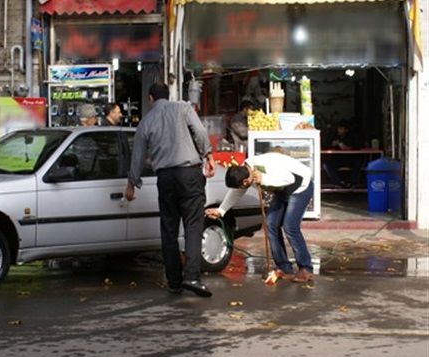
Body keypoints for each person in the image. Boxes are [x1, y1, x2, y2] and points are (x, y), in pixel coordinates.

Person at [125, 82, 216, 297]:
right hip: (189, 174)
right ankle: (192, 277)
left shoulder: (146, 122)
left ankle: (174, 281)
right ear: (169, 95)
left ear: (150, 98)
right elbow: (201, 131)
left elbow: (137, 157)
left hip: (165, 177)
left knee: (168, 229)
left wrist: (131, 185)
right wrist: (208, 154)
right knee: (193, 225)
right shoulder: (183, 108)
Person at [205, 152, 314, 282]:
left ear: (246, 181)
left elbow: (289, 179)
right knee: (270, 225)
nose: (241, 188)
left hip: (300, 188)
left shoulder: (266, 165)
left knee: (290, 226)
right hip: (281, 191)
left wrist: (264, 179)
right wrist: (221, 210)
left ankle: (305, 268)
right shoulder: (245, 171)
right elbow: (236, 192)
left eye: (242, 186)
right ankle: (284, 268)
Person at [322, 121, 362, 188]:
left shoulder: (351, 136)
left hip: (349, 159)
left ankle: (352, 183)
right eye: (338, 128)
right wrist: (331, 144)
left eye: (341, 129)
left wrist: (345, 146)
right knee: (326, 164)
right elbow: (325, 145)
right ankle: (338, 183)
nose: (339, 130)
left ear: (346, 130)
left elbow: (355, 146)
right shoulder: (334, 136)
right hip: (338, 159)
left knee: (358, 162)